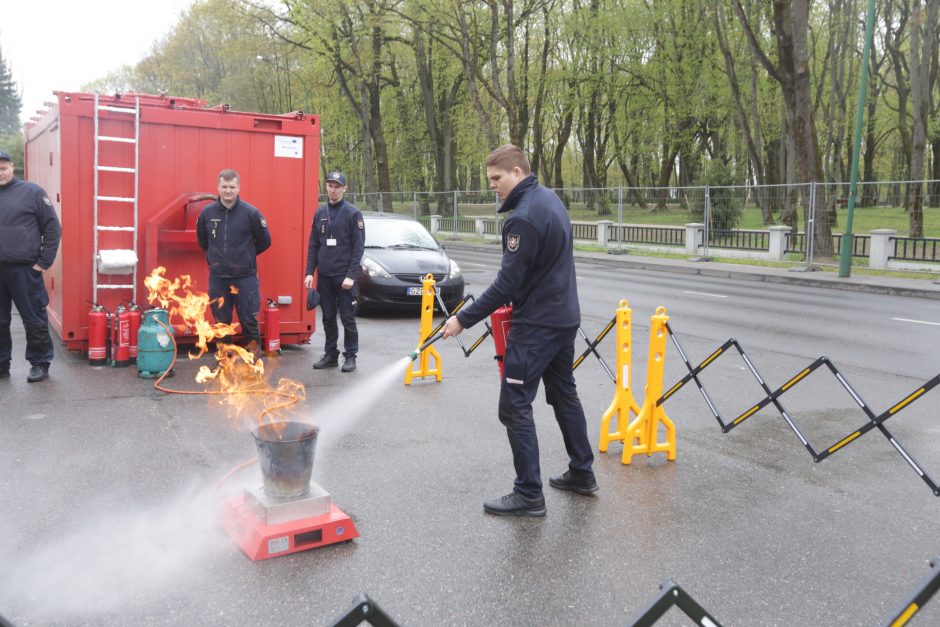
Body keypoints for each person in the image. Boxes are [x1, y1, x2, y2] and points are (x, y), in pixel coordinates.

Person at [442, 144, 596, 517]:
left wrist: (463, 318)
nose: (492, 186)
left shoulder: (522, 218)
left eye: (496, 178)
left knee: (514, 406)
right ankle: (582, 472)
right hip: (564, 317)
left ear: (516, 171)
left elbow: (507, 284)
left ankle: (529, 493)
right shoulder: (550, 200)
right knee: (564, 394)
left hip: (538, 325)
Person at [0, 150, 62, 382]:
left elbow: (53, 228)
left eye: (3, 167)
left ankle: (39, 363)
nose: (0, 172)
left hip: (24, 270)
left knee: (33, 318)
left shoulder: (32, 193)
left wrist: (43, 263)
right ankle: (1, 364)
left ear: (12, 167)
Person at [196, 169, 271, 351]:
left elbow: (265, 241)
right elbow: (203, 241)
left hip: (245, 278)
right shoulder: (207, 213)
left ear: (238, 188)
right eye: (224, 186)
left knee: (249, 321)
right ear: (218, 188)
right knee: (222, 324)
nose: (228, 190)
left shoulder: (251, 213)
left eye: (232, 187)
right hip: (218, 278)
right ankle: (225, 363)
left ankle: (252, 363)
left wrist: (244, 257)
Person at [304, 170, 365, 373]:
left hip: (344, 277)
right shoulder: (320, 213)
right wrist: (309, 272)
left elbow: (358, 248)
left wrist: (350, 275)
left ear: (344, 189)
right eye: (330, 185)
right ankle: (331, 354)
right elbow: (314, 245)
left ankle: (350, 356)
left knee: (347, 317)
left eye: (337, 186)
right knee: (328, 317)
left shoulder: (352, 213)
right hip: (325, 276)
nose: (333, 190)